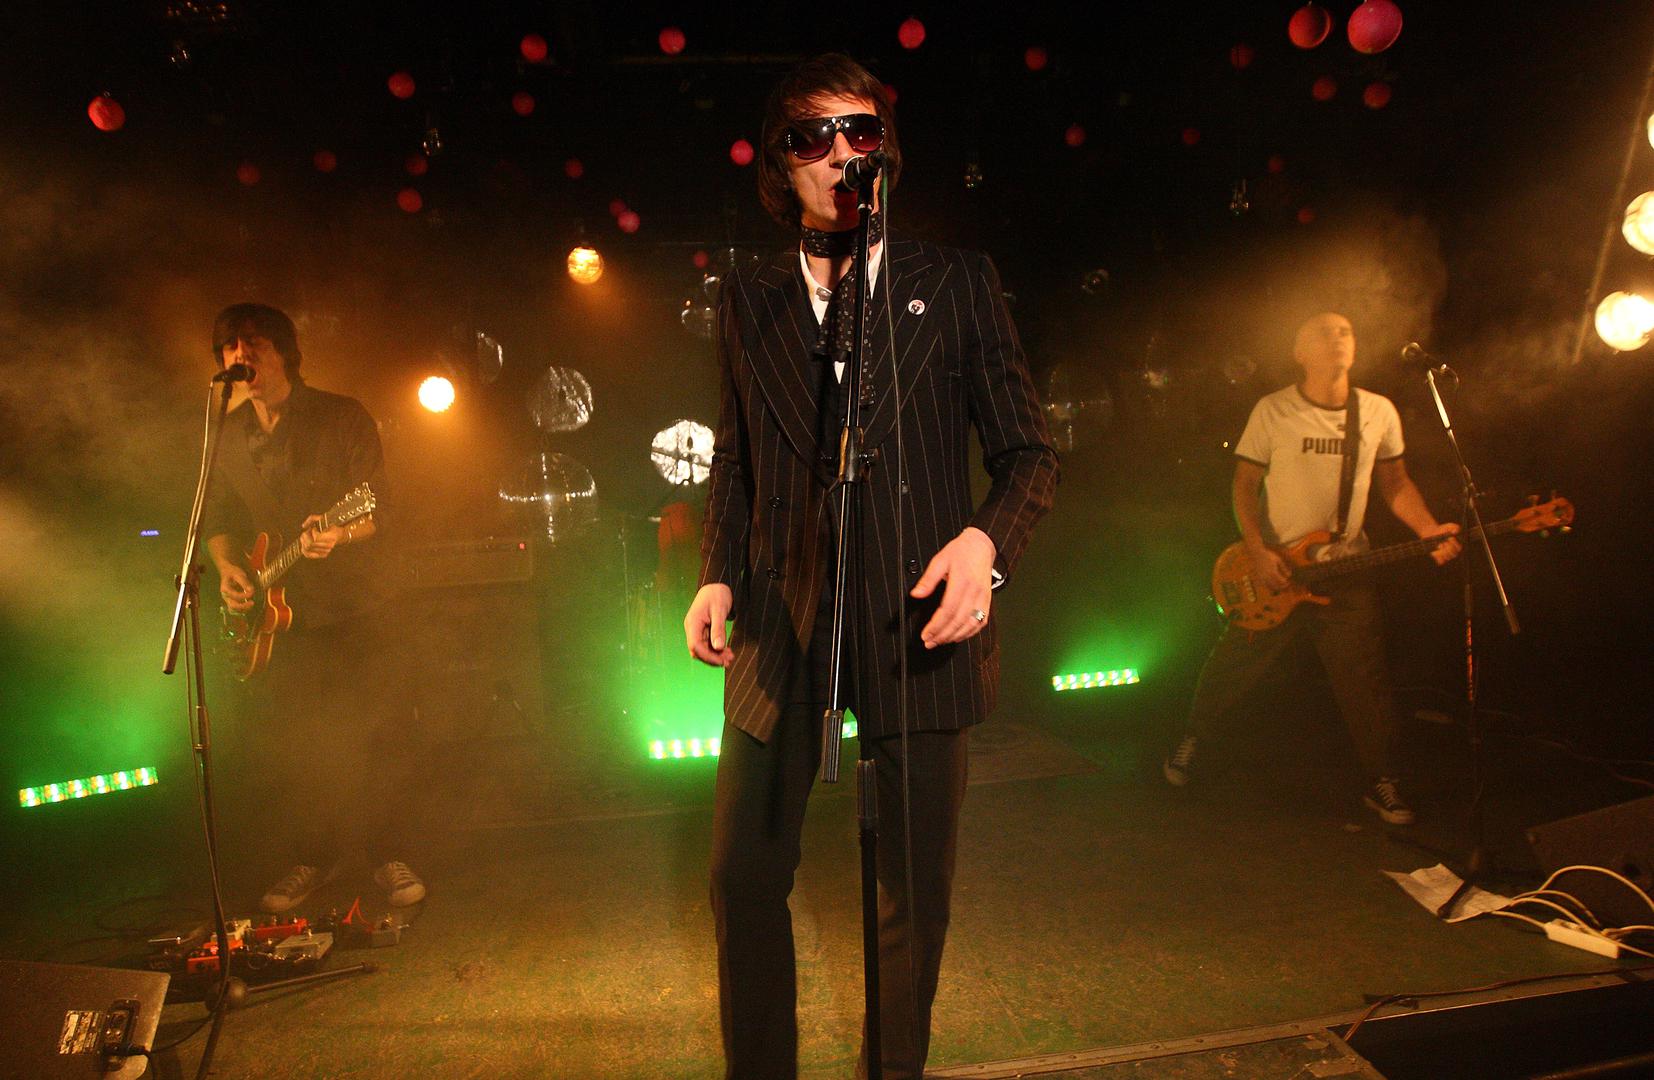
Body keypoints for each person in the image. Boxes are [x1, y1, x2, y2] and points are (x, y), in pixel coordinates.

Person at [683, 54, 1059, 1080]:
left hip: (914, 619)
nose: (841, 152)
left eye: (860, 131)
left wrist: (985, 545)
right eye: (813, 136)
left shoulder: (956, 280)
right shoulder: (750, 295)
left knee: (908, 898)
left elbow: (1029, 452)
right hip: (782, 616)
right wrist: (718, 571)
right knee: (740, 879)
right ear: (782, 164)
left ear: (885, 151)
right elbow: (736, 455)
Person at [1163, 311, 1462, 824]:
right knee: (1233, 666)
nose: (1338, 339)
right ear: (1300, 352)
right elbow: (1243, 486)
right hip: (1275, 571)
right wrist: (1257, 551)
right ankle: (1192, 739)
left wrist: (1428, 528)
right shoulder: (1274, 410)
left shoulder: (1377, 411)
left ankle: (1383, 780)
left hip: (1346, 569)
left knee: (1365, 682)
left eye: (1346, 331)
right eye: (1324, 332)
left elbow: (1395, 484)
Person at [202, 302, 424, 914]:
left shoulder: (341, 416)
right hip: (279, 614)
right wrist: (228, 570)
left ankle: (388, 854)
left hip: (359, 601)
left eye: (253, 343)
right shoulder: (226, 434)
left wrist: (340, 531)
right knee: (300, 740)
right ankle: (313, 856)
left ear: (284, 352)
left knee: (379, 732)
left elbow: (379, 504)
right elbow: (217, 518)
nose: (240, 355)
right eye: (229, 347)